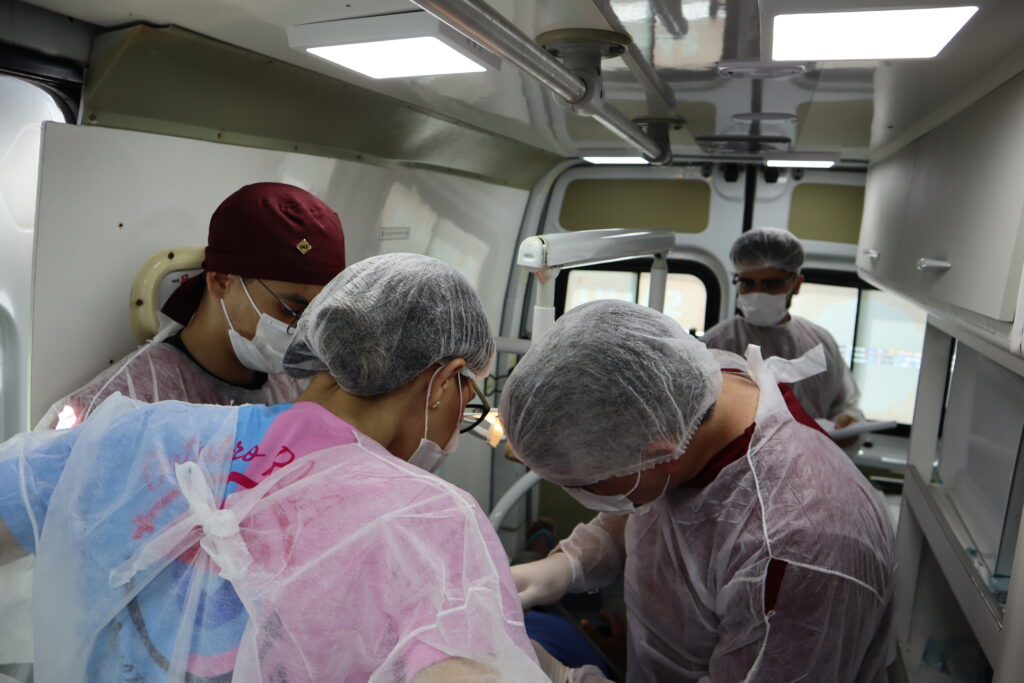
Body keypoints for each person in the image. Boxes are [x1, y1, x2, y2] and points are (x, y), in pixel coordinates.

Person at [0, 253, 606, 682]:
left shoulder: (140, 436)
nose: (460, 422)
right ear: (444, 381)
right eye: (469, 400)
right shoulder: (429, 521)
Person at [501, 300, 896, 682]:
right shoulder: (692, 393)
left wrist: (565, 679)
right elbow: (651, 510)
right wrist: (566, 565)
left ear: (659, 453)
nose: (581, 494)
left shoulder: (795, 547)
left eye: (583, 485)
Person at [36, 181, 347, 430]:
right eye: (293, 312)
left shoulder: (303, 385)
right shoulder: (126, 402)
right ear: (221, 281)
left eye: (317, 315)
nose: (304, 334)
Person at [701, 227, 863, 427]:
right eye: (747, 283)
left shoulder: (820, 343)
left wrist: (848, 423)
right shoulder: (713, 344)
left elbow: (846, 407)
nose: (757, 293)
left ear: (797, 284)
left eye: (771, 284)